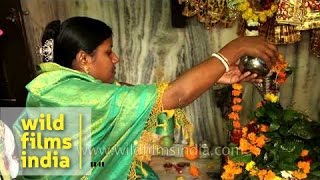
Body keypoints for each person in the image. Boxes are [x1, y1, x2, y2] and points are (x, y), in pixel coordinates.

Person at [13, 16, 278, 180]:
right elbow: (175, 95)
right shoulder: (86, 96)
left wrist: (214, 75)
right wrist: (234, 49)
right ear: (84, 59)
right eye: (108, 52)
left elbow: (140, 96)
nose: (116, 59)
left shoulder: (51, 86)